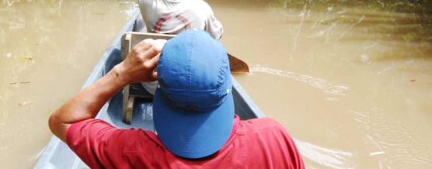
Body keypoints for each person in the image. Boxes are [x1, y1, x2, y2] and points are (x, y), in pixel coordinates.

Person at [48, 30, 304, 168]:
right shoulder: (273, 137)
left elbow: (63, 122)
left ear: (158, 88)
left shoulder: (132, 151)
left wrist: (122, 73)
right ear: (227, 87)